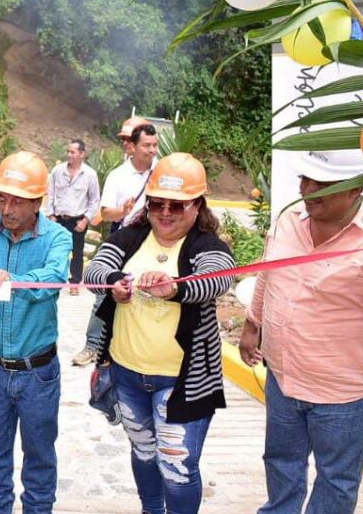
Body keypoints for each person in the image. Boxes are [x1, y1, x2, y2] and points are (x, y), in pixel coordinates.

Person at [239, 149, 363, 514]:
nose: (308, 191)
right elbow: (268, 274)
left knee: (336, 481)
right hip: (283, 376)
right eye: (304, 180)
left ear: (355, 190)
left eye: (321, 184)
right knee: (280, 461)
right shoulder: (289, 219)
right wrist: (252, 324)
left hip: (344, 394)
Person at [84, 153, 234, 514]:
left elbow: (218, 276)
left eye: (177, 206)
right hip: (127, 375)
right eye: (157, 204)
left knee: (177, 467)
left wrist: (175, 288)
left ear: (197, 206)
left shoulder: (205, 245)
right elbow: (95, 270)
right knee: (145, 454)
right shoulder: (131, 237)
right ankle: (151, 510)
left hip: (183, 381)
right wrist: (112, 284)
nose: (166, 213)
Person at [0, 152, 70, 514]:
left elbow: (52, 280)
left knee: (38, 456)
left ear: (38, 202)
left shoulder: (58, 238)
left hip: (38, 372)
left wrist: (12, 280)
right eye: (2, 198)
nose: (7, 208)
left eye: (18, 201)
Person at [72, 122, 159, 367]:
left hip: (158, 241)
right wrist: (123, 210)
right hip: (126, 240)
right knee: (107, 291)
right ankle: (92, 346)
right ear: (132, 147)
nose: (151, 150)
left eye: (154, 145)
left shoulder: (162, 172)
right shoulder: (118, 176)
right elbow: (106, 212)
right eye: (146, 145)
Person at [44, 139, 101, 296]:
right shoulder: (57, 171)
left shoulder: (90, 174)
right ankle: (53, 279)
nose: (69, 155)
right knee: (54, 249)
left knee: (77, 252)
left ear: (82, 154)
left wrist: (85, 220)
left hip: (78, 219)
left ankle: (74, 282)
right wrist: (51, 215)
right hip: (58, 219)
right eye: (68, 151)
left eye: (73, 152)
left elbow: (95, 199)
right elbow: (50, 194)